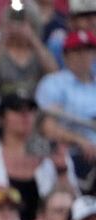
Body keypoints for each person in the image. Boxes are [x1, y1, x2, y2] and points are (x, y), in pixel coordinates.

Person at [0, 92, 77, 220]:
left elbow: (74, 205)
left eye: (30, 110)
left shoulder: (55, 155)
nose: (25, 115)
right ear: (1, 118)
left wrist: (62, 172)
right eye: (17, 109)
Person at [0, 10, 59, 144]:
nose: (18, 28)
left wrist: (32, 39)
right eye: (15, 23)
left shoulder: (38, 53)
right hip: (2, 109)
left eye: (23, 24)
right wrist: (2, 39)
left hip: (32, 110)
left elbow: (55, 74)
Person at [35, 30, 96, 179]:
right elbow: (47, 127)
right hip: (67, 154)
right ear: (66, 55)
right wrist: (79, 140)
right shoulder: (54, 83)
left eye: (88, 50)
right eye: (77, 51)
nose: (83, 56)